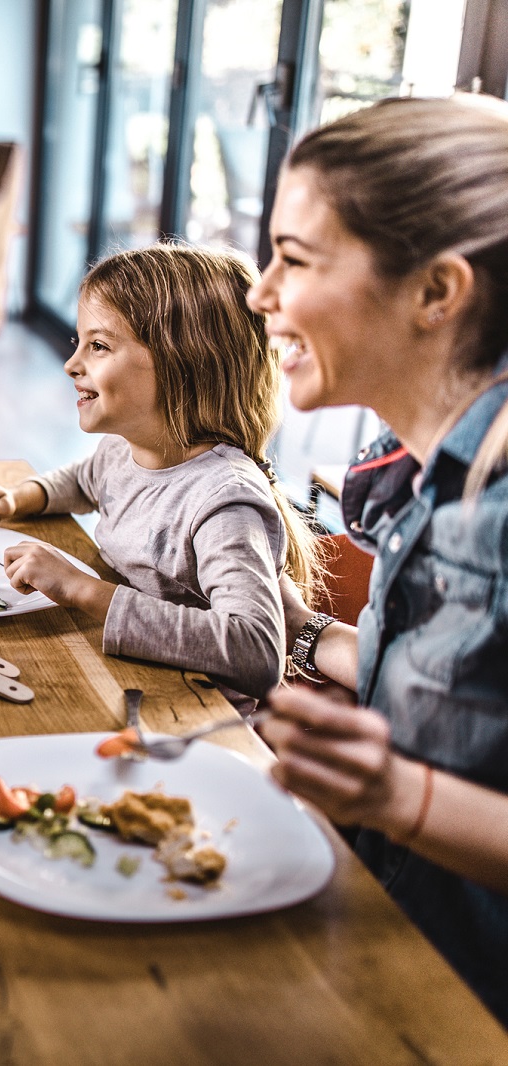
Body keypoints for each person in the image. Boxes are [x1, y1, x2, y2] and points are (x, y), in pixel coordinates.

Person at [245, 94, 508, 1023]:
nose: (259, 291)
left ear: (437, 292)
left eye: (296, 258)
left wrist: (399, 794)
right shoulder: (421, 474)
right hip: (385, 942)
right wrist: (305, 632)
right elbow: (458, 693)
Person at [0, 243, 319, 699]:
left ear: (184, 362)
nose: (72, 365)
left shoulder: (223, 500)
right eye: (79, 343)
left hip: (188, 713)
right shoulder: (124, 451)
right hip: (123, 677)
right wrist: (17, 499)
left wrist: (82, 590)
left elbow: (255, 651)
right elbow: (80, 481)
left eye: (99, 346)